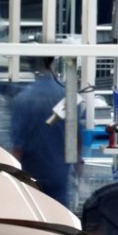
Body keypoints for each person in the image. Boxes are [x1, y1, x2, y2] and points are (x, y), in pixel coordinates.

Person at [10, 57, 80, 207]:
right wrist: (78, 168)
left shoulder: (23, 99)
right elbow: (76, 139)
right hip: (58, 174)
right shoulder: (68, 98)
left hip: (31, 175)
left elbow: (18, 147)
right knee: (61, 222)